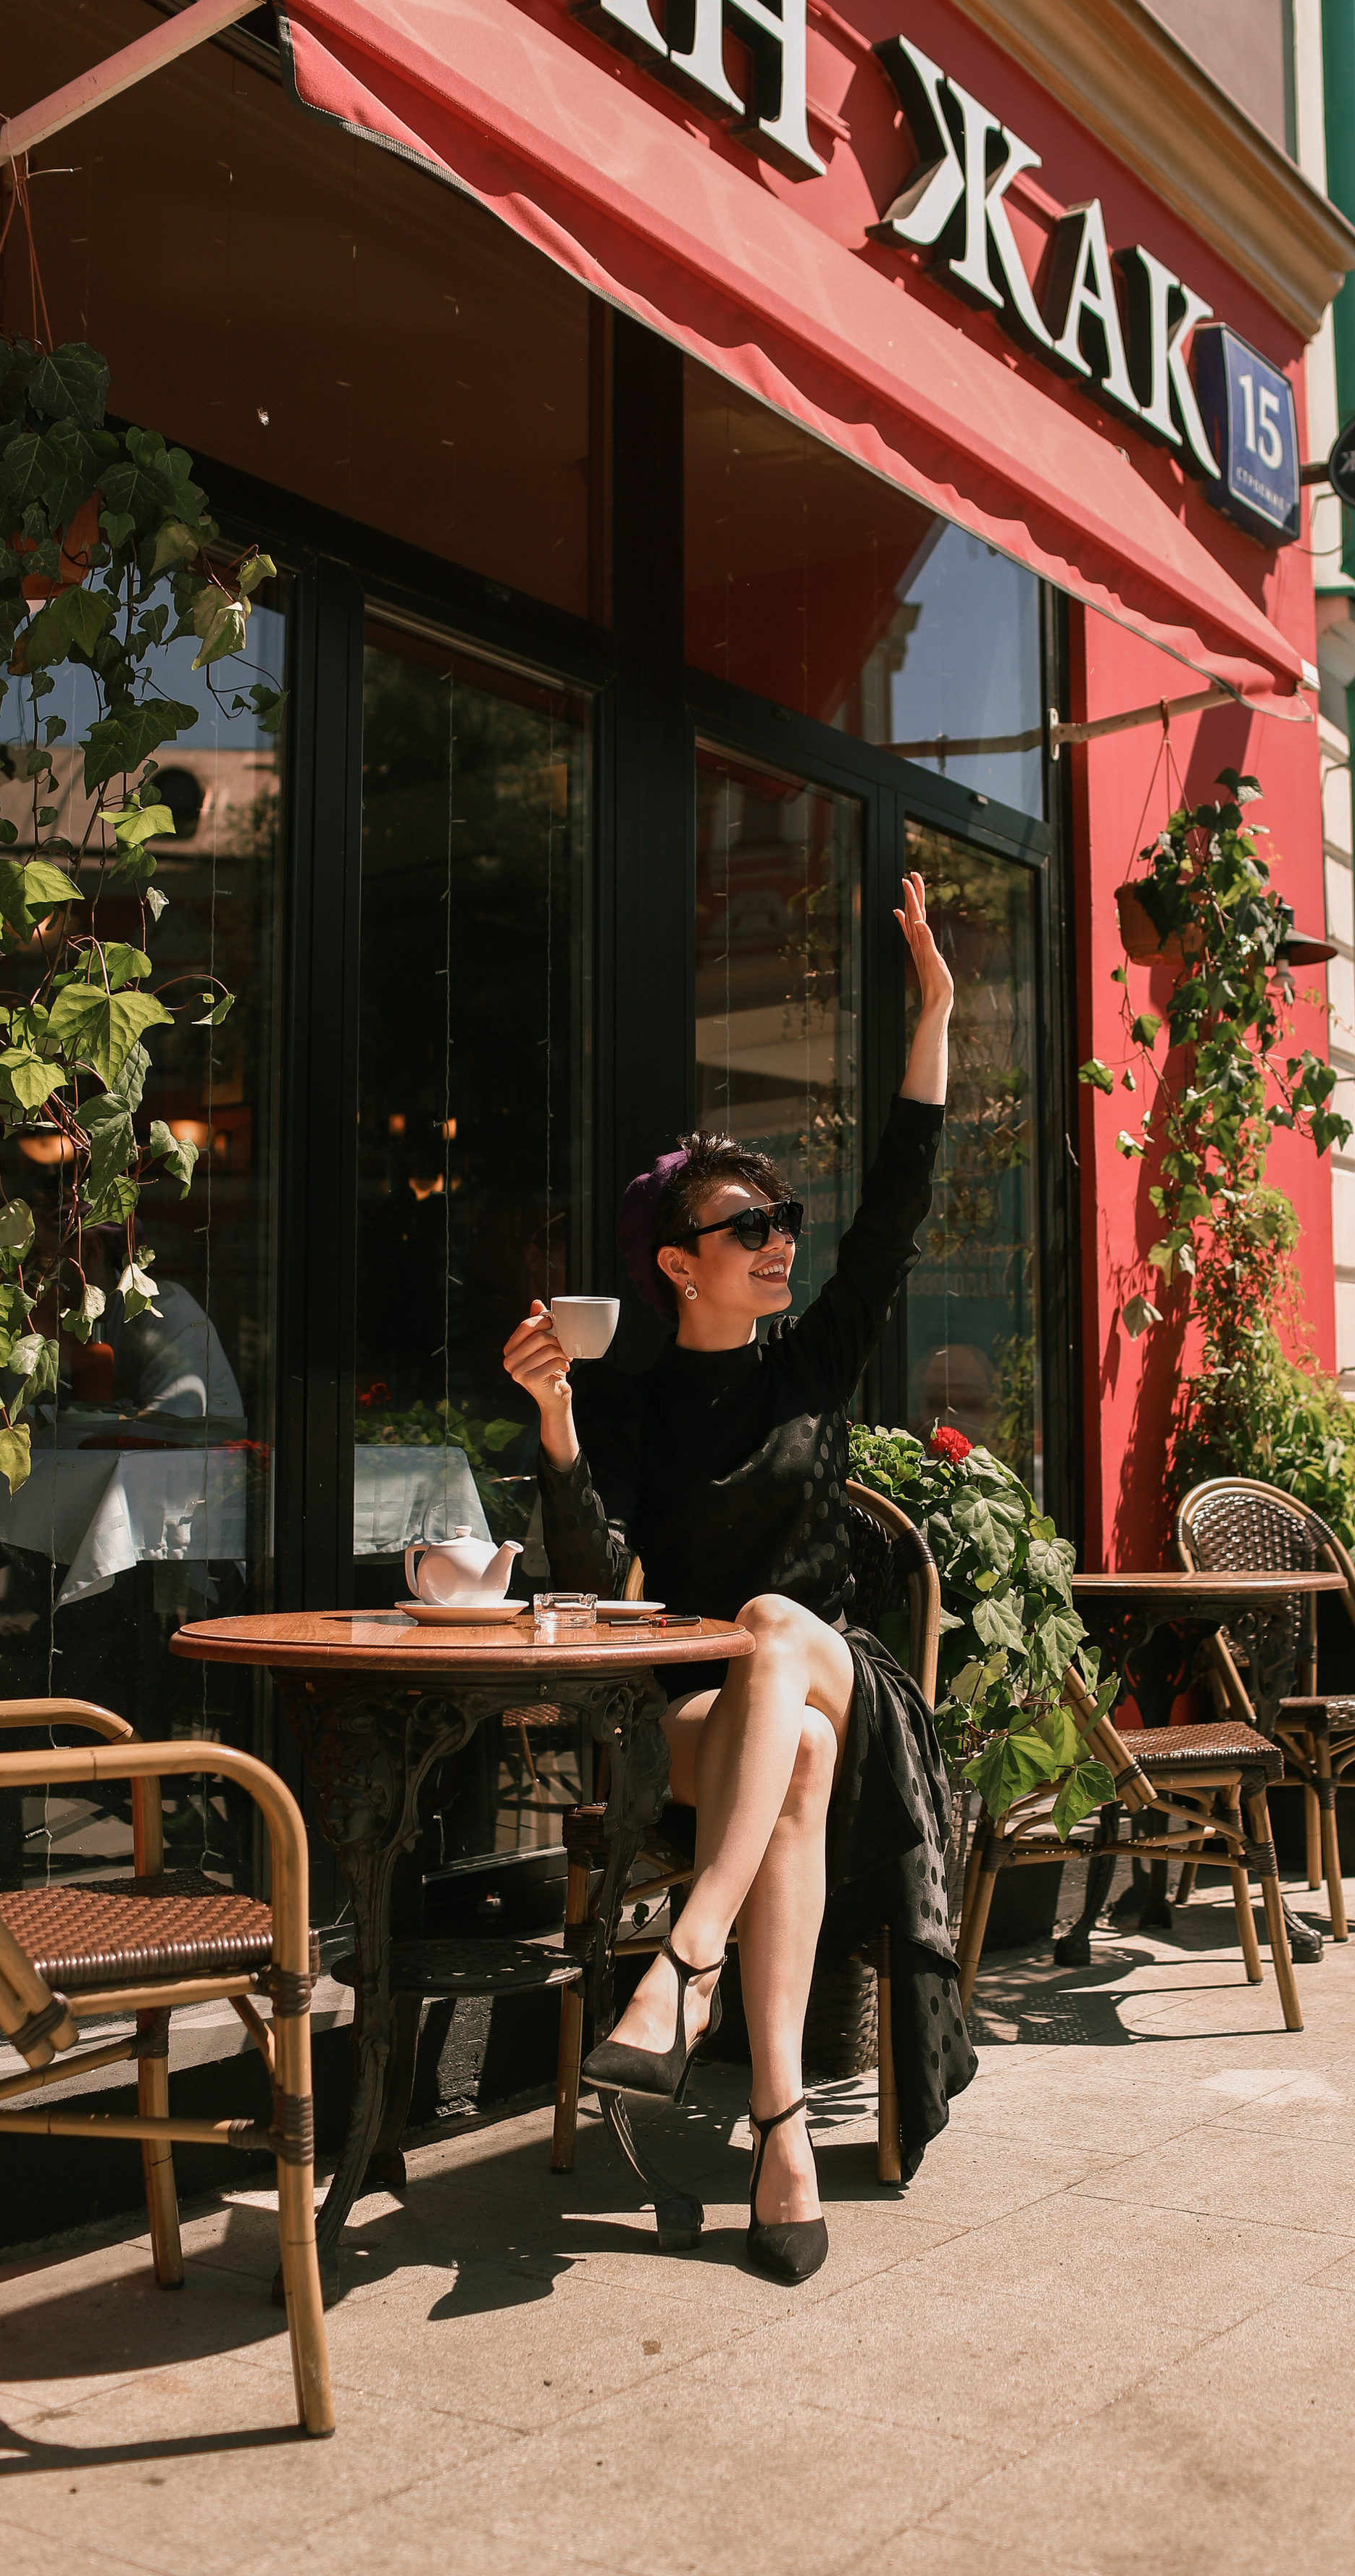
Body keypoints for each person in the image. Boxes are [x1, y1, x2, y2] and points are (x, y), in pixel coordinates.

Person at [503, 871, 975, 2283]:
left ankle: (683, 1962)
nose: (779, 1242)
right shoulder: (637, 1411)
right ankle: (778, 2131)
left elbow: (896, 1200)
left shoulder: (812, 1364)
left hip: (843, 1670)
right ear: (674, 1266)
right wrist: (558, 1429)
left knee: (781, 1631)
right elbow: (590, 1579)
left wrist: (935, 1008)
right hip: (720, 1725)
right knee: (793, 1768)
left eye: (780, 1223)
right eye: (746, 1230)